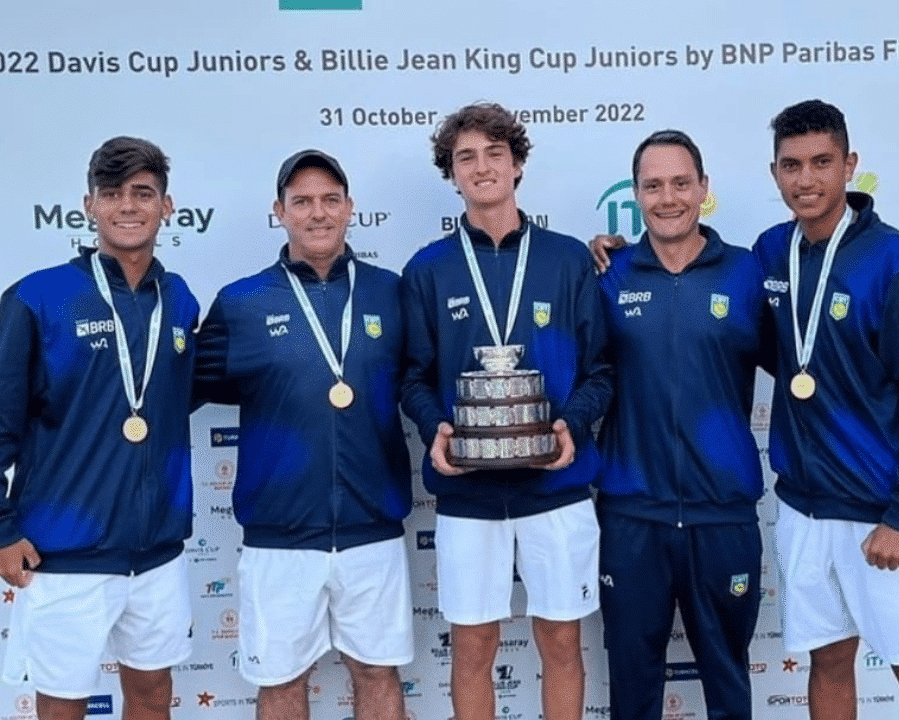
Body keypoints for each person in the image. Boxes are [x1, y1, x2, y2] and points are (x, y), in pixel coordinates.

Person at [0, 136, 199, 720]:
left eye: (143, 193)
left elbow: (174, 397)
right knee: (63, 704)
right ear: (89, 205)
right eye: (112, 193)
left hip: (157, 550)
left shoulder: (181, 300)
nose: (128, 206)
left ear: (167, 206)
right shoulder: (39, 297)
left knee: (152, 694)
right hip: (64, 549)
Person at [752, 99, 899, 720]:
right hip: (803, 506)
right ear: (775, 174)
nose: (807, 179)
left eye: (822, 162)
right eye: (792, 165)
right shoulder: (771, 252)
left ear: (850, 165)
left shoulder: (896, 261)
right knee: (827, 660)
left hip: (882, 510)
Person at [400, 102, 612, 720]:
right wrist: (434, 427)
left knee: (562, 641)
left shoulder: (569, 259)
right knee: (471, 646)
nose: (482, 167)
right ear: (452, 173)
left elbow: (601, 370)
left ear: (517, 164)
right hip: (470, 493)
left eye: (495, 153)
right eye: (466, 157)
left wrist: (572, 426)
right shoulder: (427, 269)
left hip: (558, 485)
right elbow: (412, 378)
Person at [195, 149, 413, 720]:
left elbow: (426, 380)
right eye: (302, 202)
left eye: (329, 200)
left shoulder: (391, 293)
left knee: (378, 673)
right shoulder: (241, 303)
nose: (317, 213)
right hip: (279, 537)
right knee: (281, 681)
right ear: (279, 212)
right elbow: (175, 391)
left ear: (349, 209)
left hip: (373, 528)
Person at [594, 130, 769, 720]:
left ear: (703, 189)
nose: (668, 197)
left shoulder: (748, 274)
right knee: (632, 688)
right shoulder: (608, 274)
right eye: (653, 186)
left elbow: (808, 370)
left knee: (727, 684)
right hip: (632, 516)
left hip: (722, 514)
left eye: (680, 183)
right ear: (635, 195)